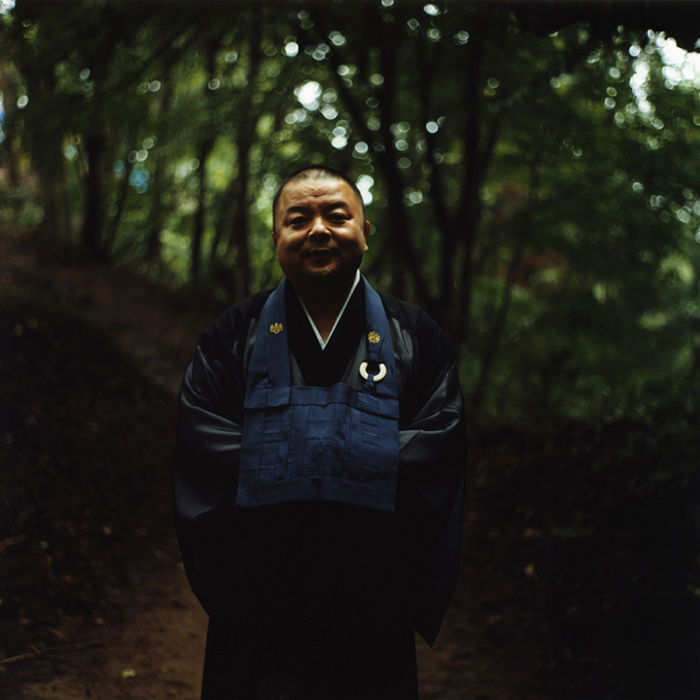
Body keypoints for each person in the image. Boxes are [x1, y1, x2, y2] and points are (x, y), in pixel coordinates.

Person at [174, 165, 467, 700]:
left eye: (336, 215)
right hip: (260, 597)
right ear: (275, 238)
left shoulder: (416, 338)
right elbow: (202, 446)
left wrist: (286, 451)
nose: (318, 230)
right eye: (298, 220)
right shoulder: (230, 337)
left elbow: (437, 448)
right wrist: (353, 450)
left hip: (372, 594)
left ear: (365, 231)